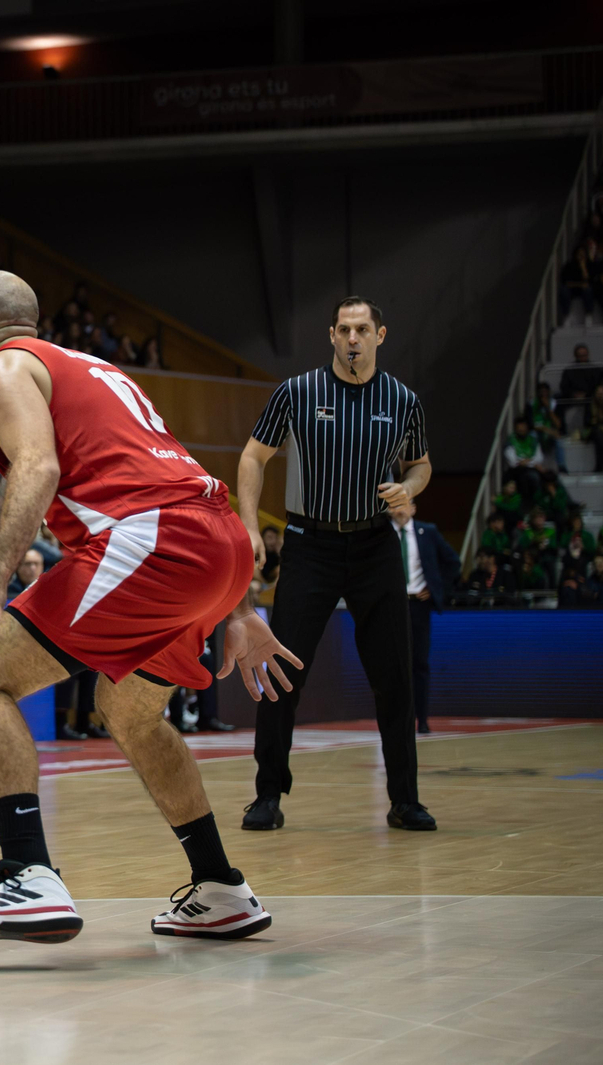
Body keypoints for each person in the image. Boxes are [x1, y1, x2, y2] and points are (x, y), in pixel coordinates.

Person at [0, 271, 296, 945]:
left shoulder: (1, 368)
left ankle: (27, 872)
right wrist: (237, 606)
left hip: (152, 539)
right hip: (215, 537)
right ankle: (219, 885)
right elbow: (175, 472)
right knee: (129, 712)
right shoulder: (92, 367)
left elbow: (38, 467)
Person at [236, 297, 436, 832]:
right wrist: (251, 525)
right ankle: (267, 795)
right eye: (344, 329)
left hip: (375, 546)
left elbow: (420, 465)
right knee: (281, 671)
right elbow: (253, 456)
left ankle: (405, 799)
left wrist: (408, 488)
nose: (353, 337)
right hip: (309, 543)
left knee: (394, 675)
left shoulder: (403, 400)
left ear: (380, 335)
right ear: (331, 335)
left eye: (362, 329)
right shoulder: (298, 392)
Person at [388, 501, 461, 733]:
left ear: (414, 508)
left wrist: (435, 588)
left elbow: (453, 562)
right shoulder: (381, 533)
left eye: (404, 504)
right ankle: (398, 719)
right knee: (393, 664)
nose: (399, 509)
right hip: (390, 606)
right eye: (394, 505)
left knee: (419, 663)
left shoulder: (427, 531)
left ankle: (423, 718)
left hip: (418, 605)